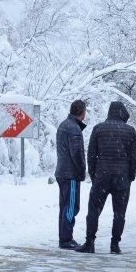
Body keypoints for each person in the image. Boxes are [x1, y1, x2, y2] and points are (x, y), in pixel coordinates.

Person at [75, 101, 136, 254]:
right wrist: (130, 176)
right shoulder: (130, 131)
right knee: (119, 213)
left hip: (102, 177)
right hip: (122, 179)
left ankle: (90, 242)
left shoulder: (98, 129)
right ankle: (115, 244)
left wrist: (94, 174)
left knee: (94, 211)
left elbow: (91, 154)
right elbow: (134, 157)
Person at [55, 100, 88, 249]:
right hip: (70, 174)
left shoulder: (64, 125)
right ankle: (66, 239)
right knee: (71, 207)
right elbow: (77, 154)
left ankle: (64, 237)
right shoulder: (74, 129)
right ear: (82, 112)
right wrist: (82, 171)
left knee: (64, 206)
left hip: (62, 172)